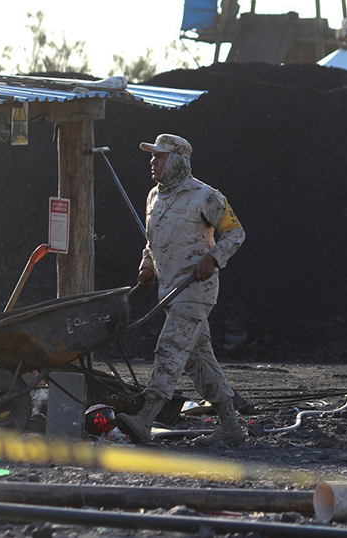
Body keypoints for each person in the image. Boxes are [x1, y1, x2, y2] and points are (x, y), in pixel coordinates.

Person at [114, 133, 246, 446]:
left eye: (160, 156)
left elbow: (235, 233)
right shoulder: (153, 197)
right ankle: (230, 426)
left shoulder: (205, 196)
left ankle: (145, 419)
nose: (153, 161)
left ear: (177, 161)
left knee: (170, 347)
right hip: (169, 290)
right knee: (199, 361)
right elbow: (153, 241)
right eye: (152, 156)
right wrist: (147, 264)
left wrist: (212, 258)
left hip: (196, 290)